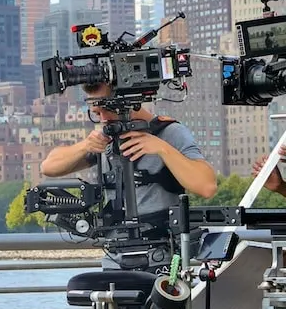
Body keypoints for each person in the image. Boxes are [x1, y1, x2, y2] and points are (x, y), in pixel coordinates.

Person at [40, 82, 219, 223]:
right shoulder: (106, 138)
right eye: (96, 112)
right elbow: (48, 167)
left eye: (108, 109)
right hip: (114, 252)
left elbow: (207, 186)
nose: (103, 119)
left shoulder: (170, 132)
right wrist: (85, 146)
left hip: (162, 248)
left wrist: (163, 149)